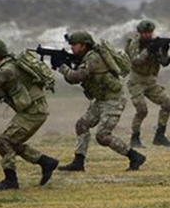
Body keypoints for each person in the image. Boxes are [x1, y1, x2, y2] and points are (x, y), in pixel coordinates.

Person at [0, 39, 59, 191]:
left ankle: (11, 181)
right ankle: (46, 162)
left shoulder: (5, 70)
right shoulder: (8, 65)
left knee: (4, 143)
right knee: (12, 143)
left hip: (33, 112)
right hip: (34, 110)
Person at [55, 31, 146, 172]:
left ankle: (135, 156)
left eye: (74, 44)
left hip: (113, 100)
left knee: (102, 136)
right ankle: (78, 162)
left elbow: (76, 77)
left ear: (84, 45)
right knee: (82, 125)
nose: (72, 47)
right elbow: (74, 78)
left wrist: (62, 67)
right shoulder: (86, 57)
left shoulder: (93, 58)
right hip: (101, 99)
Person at [125, 19, 170, 148]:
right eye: (144, 33)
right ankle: (135, 137)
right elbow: (136, 61)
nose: (147, 35)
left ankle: (160, 136)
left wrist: (169, 50)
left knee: (167, 105)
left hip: (150, 81)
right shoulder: (134, 44)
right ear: (140, 33)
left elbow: (164, 62)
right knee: (142, 110)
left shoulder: (155, 44)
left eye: (149, 32)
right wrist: (148, 50)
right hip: (136, 81)